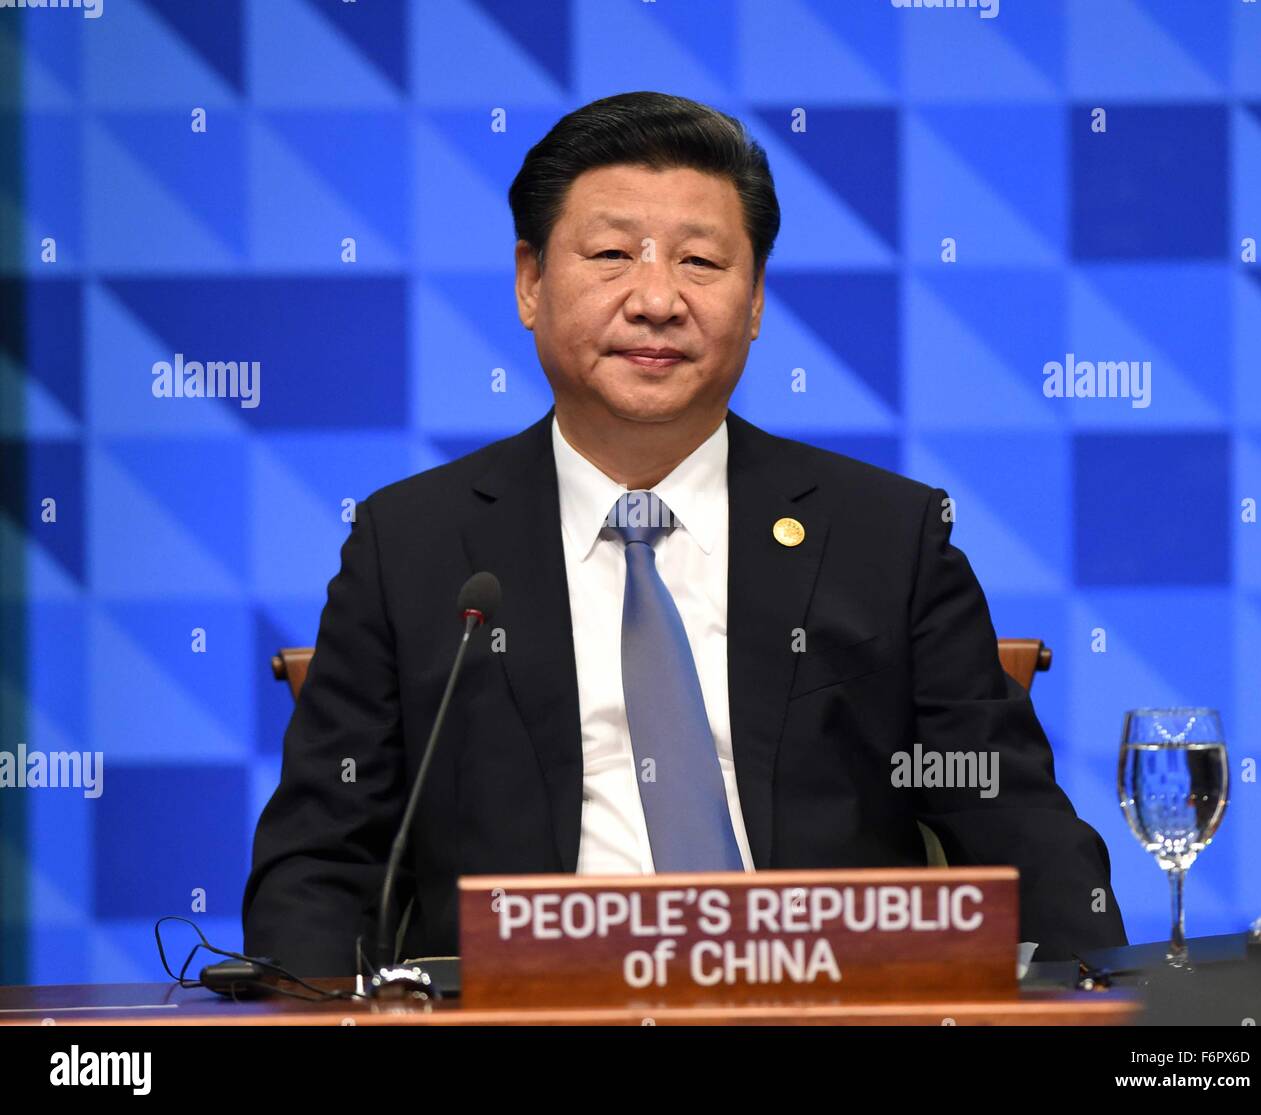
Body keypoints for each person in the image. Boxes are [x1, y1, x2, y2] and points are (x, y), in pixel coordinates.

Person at [243, 91, 1126, 976]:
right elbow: (318, 862)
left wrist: (1107, 1013)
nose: (658, 299)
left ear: (753, 301)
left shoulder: (886, 537)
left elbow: (1013, 823)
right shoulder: (412, 546)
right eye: (612, 254)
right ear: (530, 281)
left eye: (701, 261)